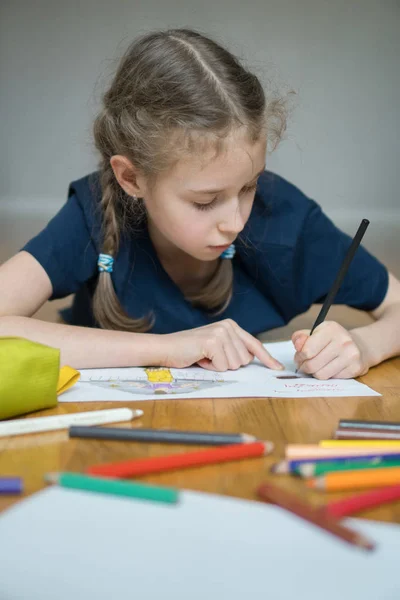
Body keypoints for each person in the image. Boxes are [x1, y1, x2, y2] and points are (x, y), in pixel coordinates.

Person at [0, 29, 399, 378]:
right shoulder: (96, 212)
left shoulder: (285, 221)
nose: (237, 222)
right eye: (206, 201)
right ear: (131, 178)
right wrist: (167, 349)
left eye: (249, 186)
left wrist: (363, 347)